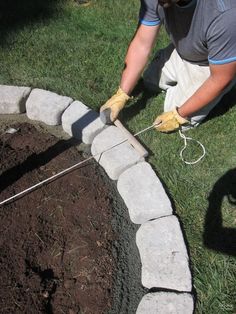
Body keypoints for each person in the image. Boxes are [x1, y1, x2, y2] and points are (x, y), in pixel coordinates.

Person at [100, 0, 236, 132]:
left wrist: (178, 115)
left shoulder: (225, 14)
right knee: (149, 80)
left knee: (178, 118)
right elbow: (142, 43)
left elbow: (221, 79)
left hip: (211, 67)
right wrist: (121, 94)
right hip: (184, 50)